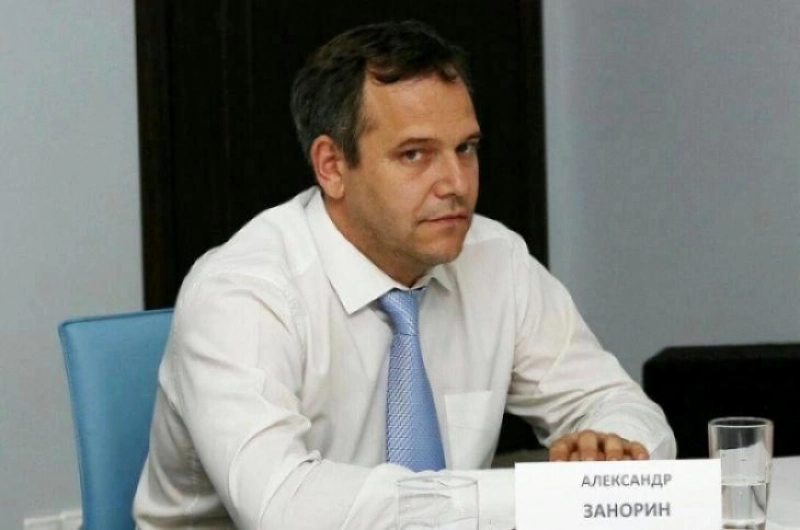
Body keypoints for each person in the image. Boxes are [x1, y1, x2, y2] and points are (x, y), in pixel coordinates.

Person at [134, 20, 675, 530]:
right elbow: (284, 507)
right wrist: (530, 497)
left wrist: (611, 453)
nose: (455, 183)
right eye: (415, 154)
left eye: (466, 149)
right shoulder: (242, 292)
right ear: (332, 167)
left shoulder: (495, 259)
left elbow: (621, 407)